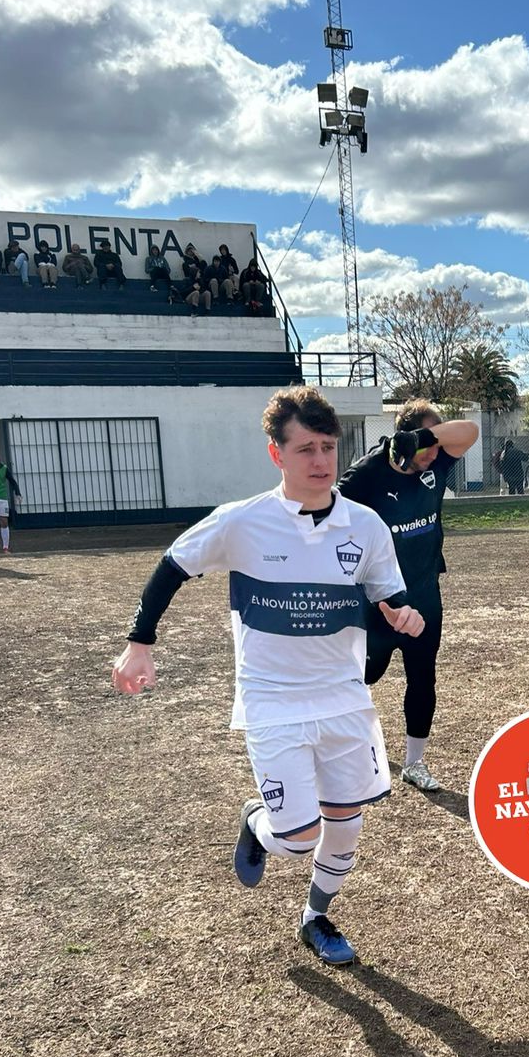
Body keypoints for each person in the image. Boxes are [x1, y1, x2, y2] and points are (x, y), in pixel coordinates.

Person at [112, 388, 424, 967]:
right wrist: (139, 644)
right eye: (305, 449)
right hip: (273, 701)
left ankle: (315, 918)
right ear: (277, 453)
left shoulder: (365, 525)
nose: (321, 460)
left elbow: (390, 591)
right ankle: (256, 822)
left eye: (327, 446)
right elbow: (172, 566)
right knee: (298, 838)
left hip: (344, 699)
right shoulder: (242, 521)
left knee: (345, 826)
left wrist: (404, 613)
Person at [337, 400, 480, 794]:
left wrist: (427, 438)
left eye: (437, 443)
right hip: (378, 604)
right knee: (362, 677)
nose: (436, 453)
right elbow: (327, 516)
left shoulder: (434, 461)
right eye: (427, 445)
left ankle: (415, 763)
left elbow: (469, 432)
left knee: (422, 677)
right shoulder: (367, 474)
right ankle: (347, 747)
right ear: (403, 437)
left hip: (425, 595)